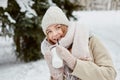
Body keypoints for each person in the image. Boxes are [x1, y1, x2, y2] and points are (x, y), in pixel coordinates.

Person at [41, 6, 116, 80]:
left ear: (65, 26)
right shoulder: (52, 52)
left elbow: (110, 74)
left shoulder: (90, 40)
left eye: (58, 27)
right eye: (49, 31)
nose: (54, 34)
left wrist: (75, 64)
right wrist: (56, 77)